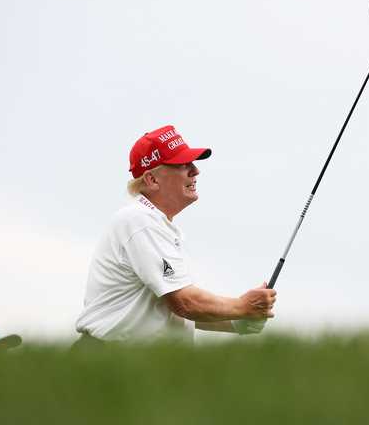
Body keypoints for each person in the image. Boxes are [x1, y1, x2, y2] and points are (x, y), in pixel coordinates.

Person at [74, 125, 276, 344]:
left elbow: (173, 309)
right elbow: (184, 303)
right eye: (182, 164)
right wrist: (242, 306)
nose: (195, 171)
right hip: (109, 359)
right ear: (152, 180)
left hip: (132, 363)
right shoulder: (140, 221)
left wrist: (239, 320)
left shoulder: (156, 225)